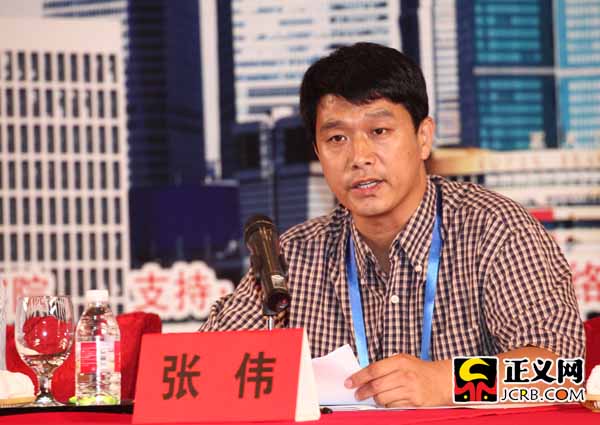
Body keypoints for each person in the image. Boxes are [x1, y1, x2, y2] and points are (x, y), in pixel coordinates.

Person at [200, 42, 585, 406]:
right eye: (337, 138)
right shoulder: (293, 256)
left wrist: (447, 382)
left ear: (423, 137)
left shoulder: (495, 231)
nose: (359, 157)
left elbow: (561, 373)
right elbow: (203, 372)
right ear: (318, 153)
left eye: (379, 131)